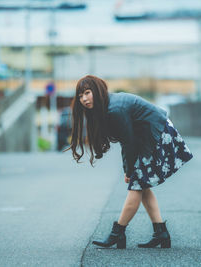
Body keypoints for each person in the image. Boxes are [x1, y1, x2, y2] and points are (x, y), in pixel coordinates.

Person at [67, 75, 193, 249]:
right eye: (81, 96)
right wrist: (130, 169)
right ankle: (161, 233)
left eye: (87, 93)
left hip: (157, 132)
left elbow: (128, 142)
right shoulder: (106, 106)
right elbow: (128, 141)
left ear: (97, 90)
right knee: (142, 184)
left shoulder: (114, 109)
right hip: (148, 134)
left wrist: (128, 170)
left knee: (136, 184)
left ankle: (117, 233)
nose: (84, 99)